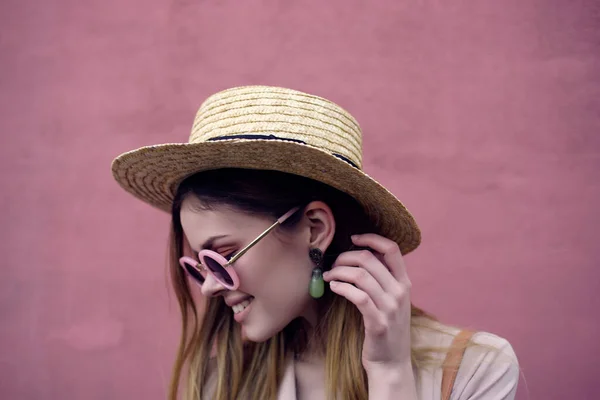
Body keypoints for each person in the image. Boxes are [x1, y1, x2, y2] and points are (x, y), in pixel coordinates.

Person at [111, 86, 519, 400]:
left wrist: (391, 373)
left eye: (222, 257)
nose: (211, 287)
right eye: (198, 267)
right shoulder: (225, 381)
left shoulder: (474, 368)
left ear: (314, 228)